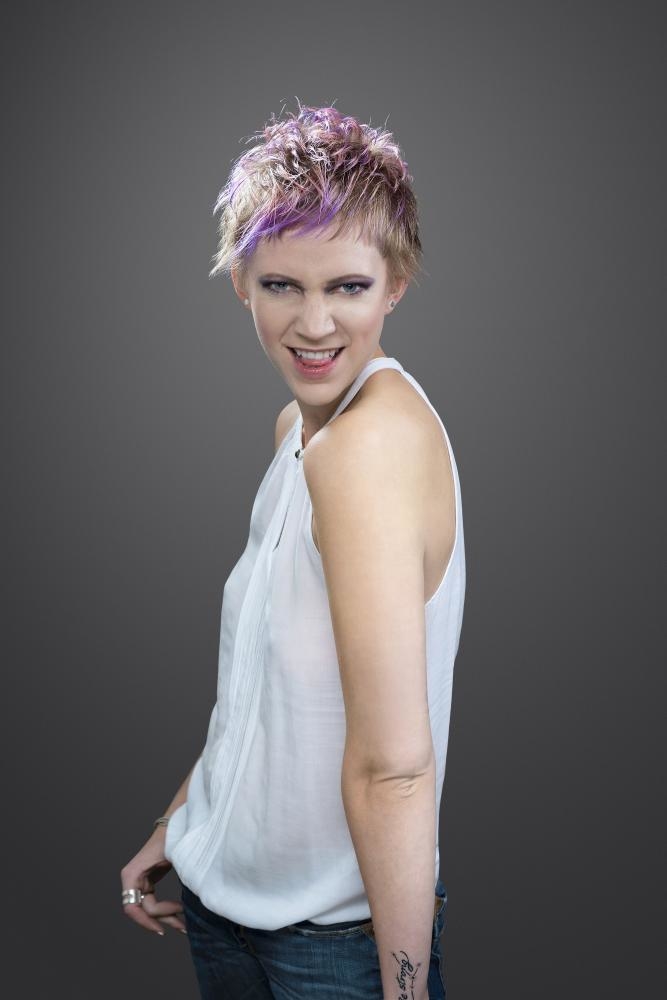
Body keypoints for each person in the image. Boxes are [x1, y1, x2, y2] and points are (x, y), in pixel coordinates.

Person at [120, 101, 465, 1000]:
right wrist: (181, 824)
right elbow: (265, 688)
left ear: (395, 284)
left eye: (346, 286)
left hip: (329, 948)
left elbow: (395, 769)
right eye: (282, 285)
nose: (313, 325)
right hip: (226, 908)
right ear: (241, 280)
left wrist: (402, 990)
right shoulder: (299, 431)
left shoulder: (366, 450)